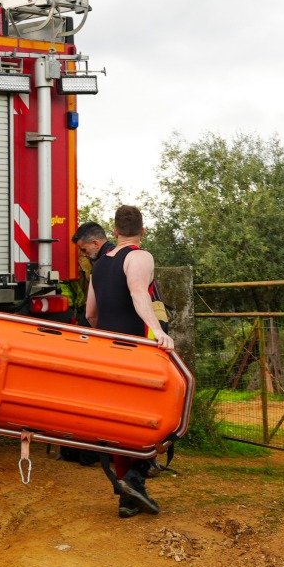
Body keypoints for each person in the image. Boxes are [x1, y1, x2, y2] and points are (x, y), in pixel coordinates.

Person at [85, 205, 170, 518]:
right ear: (142, 232)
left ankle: (128, 497)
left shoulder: (99, 266)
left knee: (118, 420)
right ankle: (135, 477)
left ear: (115, 231)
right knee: (154, 415)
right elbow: (139, 294)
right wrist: (159, 331)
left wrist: (105, 338)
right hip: (134, 349)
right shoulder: (140, 256)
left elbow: (91, 313)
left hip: (105, 348)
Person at [57, 221, 111, 467]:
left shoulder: (102, 265)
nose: (82, 255)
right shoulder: (114, 261)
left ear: (95, 243)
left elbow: (92, 309)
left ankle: (85, 451)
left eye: (83, 250)